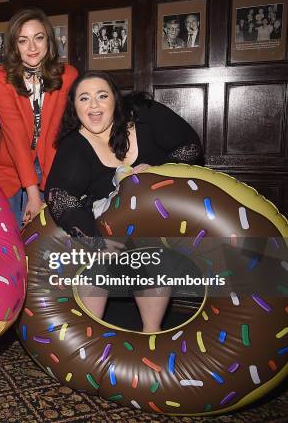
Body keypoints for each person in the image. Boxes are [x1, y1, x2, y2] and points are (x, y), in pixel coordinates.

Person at [45, 71, 203, 333]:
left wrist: (156, 172)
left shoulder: (145, 115)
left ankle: (150, 334)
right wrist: (96, 242)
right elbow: (60, 197)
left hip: (158, 219)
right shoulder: (74, 145)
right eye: (84, 99)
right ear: (75, 108)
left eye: (102, 96)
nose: (93, 105)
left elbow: (190, 147)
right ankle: (90, 337)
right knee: (95, 265)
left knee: (153, 257)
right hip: (104, 224)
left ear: (116, 101)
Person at [0, 8, 78, 226]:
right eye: (23, 41)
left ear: (49, 40)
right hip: (9, 169)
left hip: (53, 166)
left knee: (47, 242)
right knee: (9, 237)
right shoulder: (1, 77)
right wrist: (33, 194)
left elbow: (55, 131)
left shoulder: (68, 75)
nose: (32, 47)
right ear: (14, 46)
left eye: (39, 38)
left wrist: (47, 189)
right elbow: (15, 136)